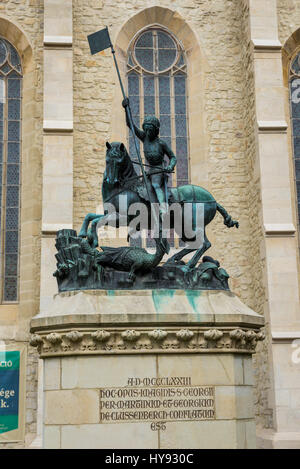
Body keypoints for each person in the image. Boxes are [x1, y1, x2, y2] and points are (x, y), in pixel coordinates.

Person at [122, 98, 177, 216]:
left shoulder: (161, 143)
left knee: (156, 185)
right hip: (149, 171)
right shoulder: (144, 137)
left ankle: (163, 208)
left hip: (159, 170)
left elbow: (173, 157)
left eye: (150, 130)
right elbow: (130, 125)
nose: (147, 132)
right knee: (140, 190)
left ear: (155, 130)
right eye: (146, 129)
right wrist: (127, 109)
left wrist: (171, 166)